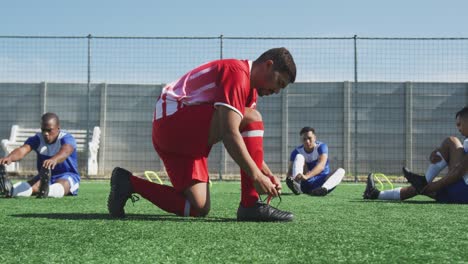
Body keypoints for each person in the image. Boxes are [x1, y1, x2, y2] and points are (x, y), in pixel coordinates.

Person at [107, 47, 297, 221]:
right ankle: (250, 205)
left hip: (177, 138)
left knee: (198, 207)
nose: (277, 91)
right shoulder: (237, 73)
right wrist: (256, 177)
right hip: (172, 122)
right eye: (279, 83)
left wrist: (268, 175)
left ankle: (127, 182)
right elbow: (230, 133)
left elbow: (246, 143)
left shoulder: (251, 92)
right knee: (253, 117)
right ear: (268, 65)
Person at [363, 106, 468, 203]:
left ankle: (423, 182)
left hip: (462, 192)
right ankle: (376, 194)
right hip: (459, 194)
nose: (458, 128)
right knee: (418, 189)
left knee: (452, 141)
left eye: (459, 124)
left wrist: (431, 186)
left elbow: (459, 171)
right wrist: (441, 152)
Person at [0, 113, 80, 198]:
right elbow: (22, 150)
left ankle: (47, 191)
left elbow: (66, 151)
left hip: (67, 175)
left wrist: (54, 159)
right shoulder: (38, 138)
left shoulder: (66, 138)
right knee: (33, 185)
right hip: (45, 176)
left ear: (58, 128)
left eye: (49, 130)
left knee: (63, 184)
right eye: (43, 130)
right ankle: (10, 191)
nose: (45, 133)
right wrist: (9, 157)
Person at [285, 127, 345, 196]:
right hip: (305, 184)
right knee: (299, 157)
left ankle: (323, 189)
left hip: (321, 181)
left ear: (314, 138)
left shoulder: (321, 147)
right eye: (304, 139)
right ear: (301, 140)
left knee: (341, 170)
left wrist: (307, 176)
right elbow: (289, 172)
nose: (307, 141)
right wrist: (290, 180)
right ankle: (297, 186)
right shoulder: (296, 151)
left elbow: (321, 165)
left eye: (309, 138)